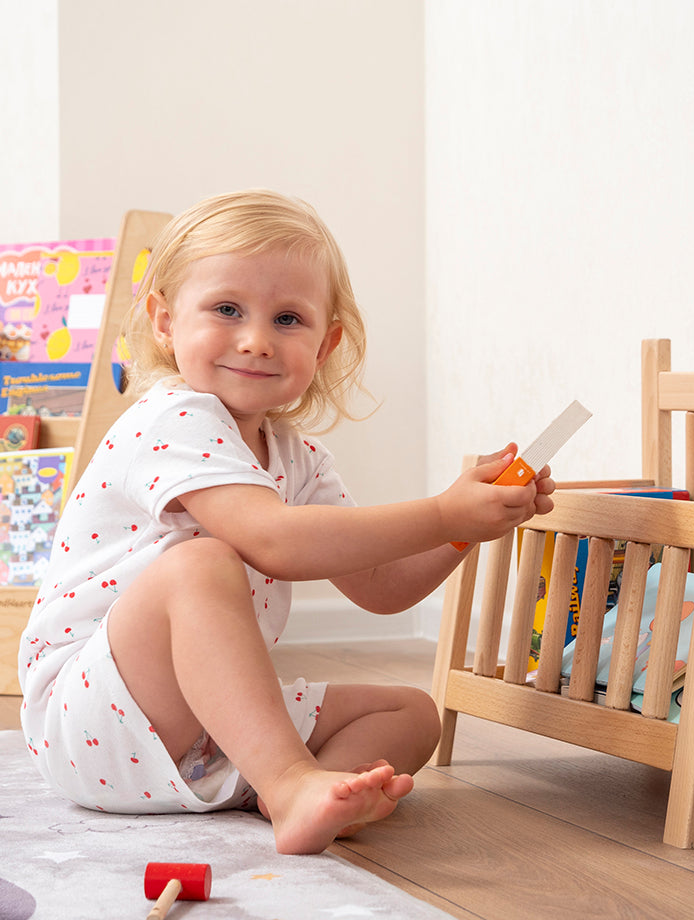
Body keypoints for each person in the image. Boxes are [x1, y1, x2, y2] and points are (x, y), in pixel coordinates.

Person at [19, 189, 555, 854]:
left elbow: (382, 586)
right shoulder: (172, 418)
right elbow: (272, 540)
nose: (256, 340)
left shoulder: (298, 457)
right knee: (201, 562)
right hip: (94, 716)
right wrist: (441, 509)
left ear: (326, 344)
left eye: (288, 320)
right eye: (227, 310)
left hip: (201, 729)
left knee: (410, 714)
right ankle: (288, 779)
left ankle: (316, 797)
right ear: (163, 321)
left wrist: (464, 529)